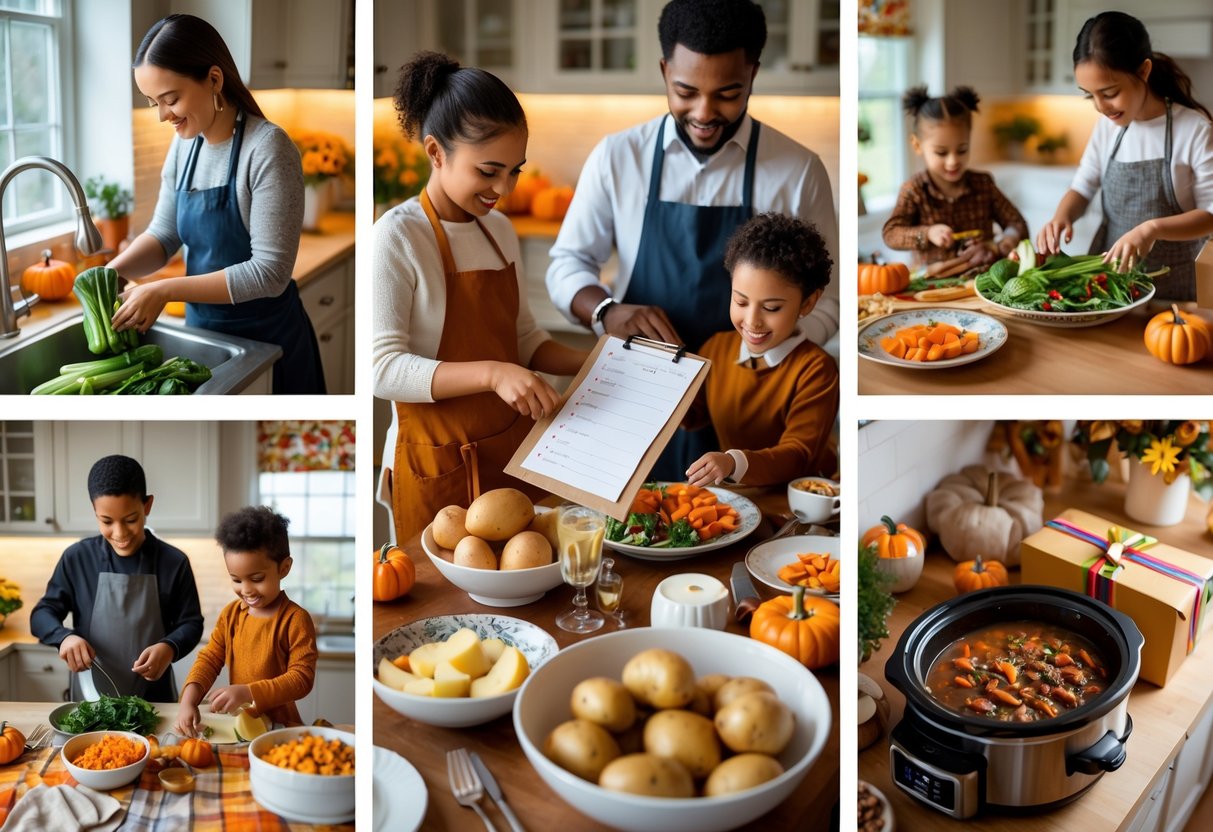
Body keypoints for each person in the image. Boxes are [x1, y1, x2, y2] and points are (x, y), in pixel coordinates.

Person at [544, 0, 838, 480]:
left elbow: (830, 299)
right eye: (685, 91)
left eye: (727, 93)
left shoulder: (798, 170)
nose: (704, 112)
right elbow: (567, 263)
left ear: (753, 74)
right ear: (664, 71)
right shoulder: (618, 157)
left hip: (752, 413)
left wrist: (767, 363)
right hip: (640, 398)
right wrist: (606, 311)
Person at [372, 52, 588, 543]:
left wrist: (595, 361)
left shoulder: (500, 230)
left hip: (511, 453)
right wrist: (493, 373)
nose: (504, 189)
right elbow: (381, 369)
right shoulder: (398, 236)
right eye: (489, 170)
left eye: (515, 171)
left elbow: (525, 339)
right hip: (436, 462)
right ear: (435, 152)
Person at [107, 13, 326, 393]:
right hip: (206, 338)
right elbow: (165, 233)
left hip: (267, 344)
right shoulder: (184, 144)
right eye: (152, 102)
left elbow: (270, 273)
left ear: (213, 79)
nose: (162, 116)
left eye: (170, 99)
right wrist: (109, 273)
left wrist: (165, 289)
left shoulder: (268, 149)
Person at [1037, 11, 1213, 300]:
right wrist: (1061, 217)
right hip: (1109, 290)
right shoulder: (1108, 128)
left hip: (1174, 294)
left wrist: (1151, 229)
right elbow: (1082, 187)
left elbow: (1210, 215)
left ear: (1143, 71)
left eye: (1109, 92)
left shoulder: (1194, 130)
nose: (1100, 106)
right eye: (1089, 95)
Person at [31, 455, 203, 702]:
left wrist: (170, 647)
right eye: (107, 521)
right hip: (90, 701)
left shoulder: (174, 562)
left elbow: (191, 623)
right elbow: (41, 615)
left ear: (147, 506)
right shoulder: (77, 558)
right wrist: (64, 637)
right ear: (94, 511)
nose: (120, 533)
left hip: (156, 700)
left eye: (131, 519)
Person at [684, 213, 838, 488]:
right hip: (741, 499)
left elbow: (798, 454)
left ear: (808, 303)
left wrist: (733, 462)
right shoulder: (716, 348)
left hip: (800, 505)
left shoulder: (816, 370)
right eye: (741, 302)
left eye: (771, 308)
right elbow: (694, 414)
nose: (752, 320)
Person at [175, 506, 317, 735]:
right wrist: (188, 700)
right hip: (239, 727)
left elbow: (301, 679)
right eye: (236, 580)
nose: (247, 589)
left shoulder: (295, 619)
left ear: (284, 568)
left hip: (282, 729)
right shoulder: (231, 615)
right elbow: (210, 659)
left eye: (257, 578)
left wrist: (248, 692)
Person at [883, 86, 1029, 268]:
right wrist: (928, 234)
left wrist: (1002, 244)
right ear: (917, 145)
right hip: (932, 287)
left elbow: (1017, 223)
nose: (953, 161)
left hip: (982, 281)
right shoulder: (914, 190)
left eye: (962, 150)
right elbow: (891, 234)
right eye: (941, 152)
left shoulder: (983, 184)